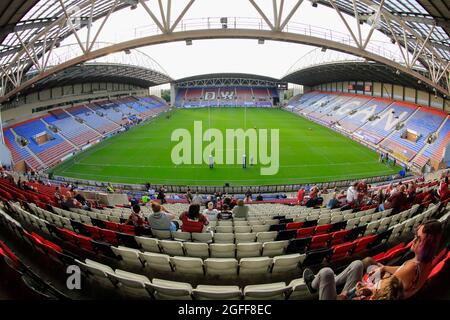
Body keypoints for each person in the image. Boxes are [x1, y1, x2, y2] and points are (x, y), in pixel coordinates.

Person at [303, 220, 443, 300]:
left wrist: (349, 293)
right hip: (365, 292)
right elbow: (401, 272)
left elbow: (375, 294)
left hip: (358, 297)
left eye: (418, 238)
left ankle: (314, 285)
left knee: (326, 272)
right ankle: (328, 282)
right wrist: (384, 268)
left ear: (426, 245)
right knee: (358, 264)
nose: (413, 240)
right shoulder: (425, 263)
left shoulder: (411, 268)